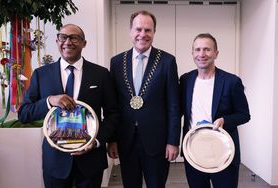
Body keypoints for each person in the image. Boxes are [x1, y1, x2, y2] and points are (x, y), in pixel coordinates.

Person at [18, 24, 119, 188]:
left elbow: (113, 114)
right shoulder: (41, 74)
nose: (68, 42)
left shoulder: (101, 74)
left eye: (74, 38)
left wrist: (97, 141)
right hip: (55, 162)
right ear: (57, 41)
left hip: (90, 159)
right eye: (63, 37)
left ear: (84, 43)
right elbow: (24, 114)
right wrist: (49, 101)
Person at [108, 10, 181, 188]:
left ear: (154, 32)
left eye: (148, 30)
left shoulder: (167, 61)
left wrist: (173, 141)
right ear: (130, 31)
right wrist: (112, 139)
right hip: (126, 140)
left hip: (157, 141)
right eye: (138, 29)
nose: (143, 34)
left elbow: (174, 105)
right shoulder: (117, 62)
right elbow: (113, 105)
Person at [180, 33, 251, 188]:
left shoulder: (231, 81)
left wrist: (224, 120)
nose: (201, 54)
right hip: (194, 151)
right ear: (192, 53)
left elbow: (244, 115)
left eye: (207, 49)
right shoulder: (185, 80)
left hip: (224, 153)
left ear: (216, 53)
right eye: (197, 49)